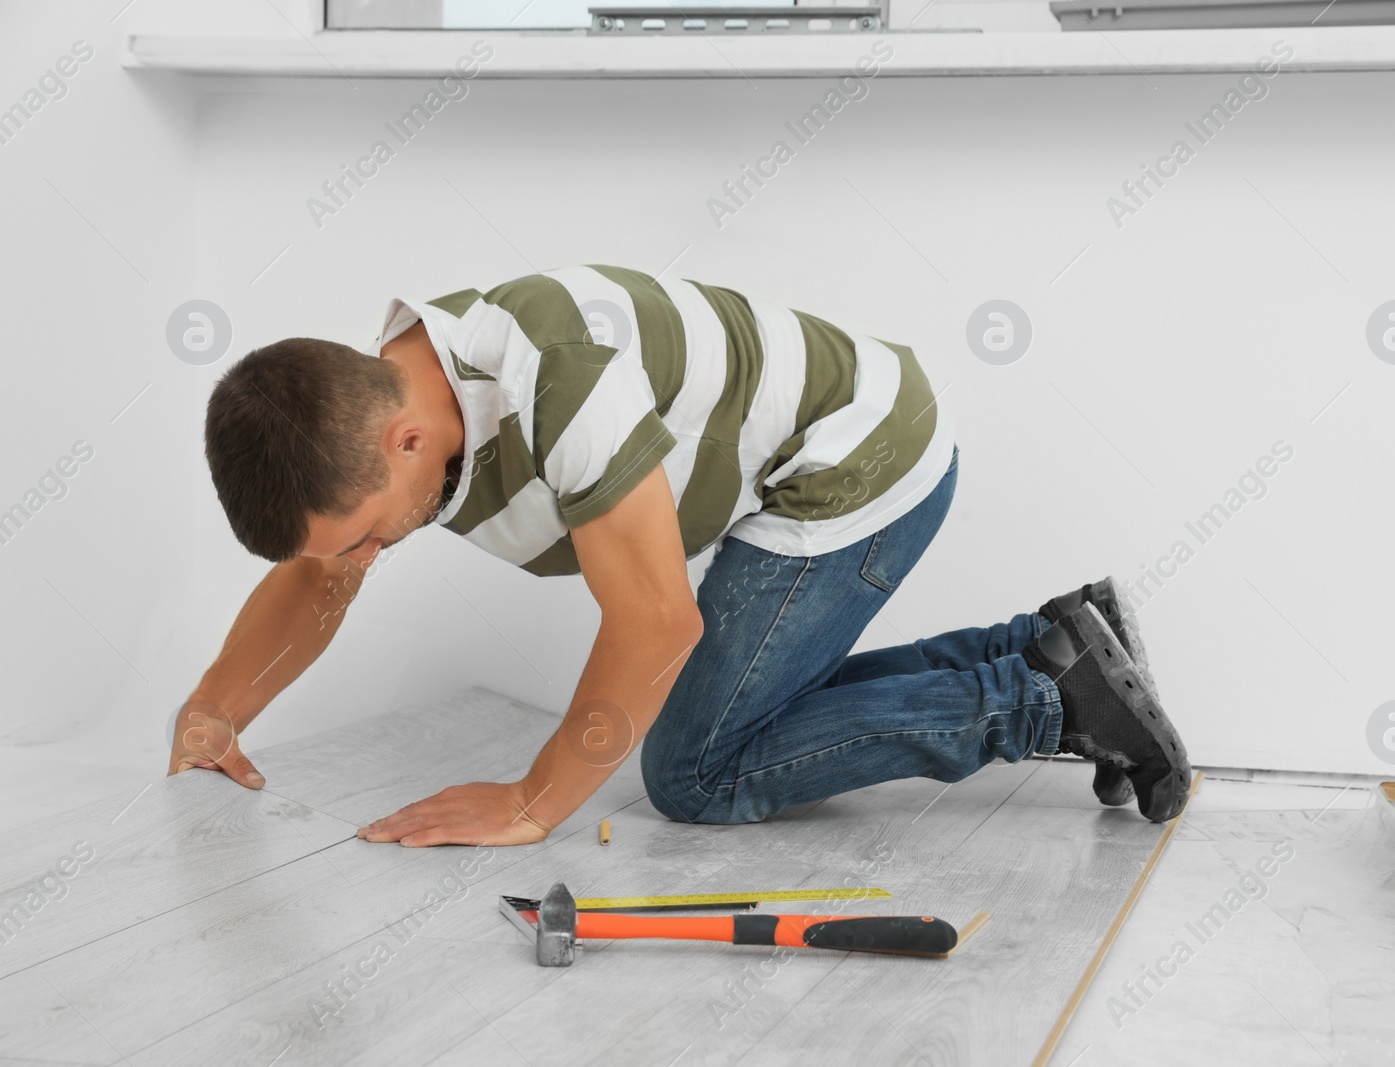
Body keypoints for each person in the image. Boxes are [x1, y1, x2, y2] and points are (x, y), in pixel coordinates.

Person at [172, 263, 1191, 847]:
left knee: (696, 770)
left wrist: (533, 802)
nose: (356, 560)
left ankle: (1049, 703)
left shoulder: (556, 382)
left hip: (857, 465)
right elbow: (316, 570)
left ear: (402, 443)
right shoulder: (384, 406)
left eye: (360, 537)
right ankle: (1053, 643)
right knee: (733, 717)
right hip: (802, 464)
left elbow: (657, 620)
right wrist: (215, 710)